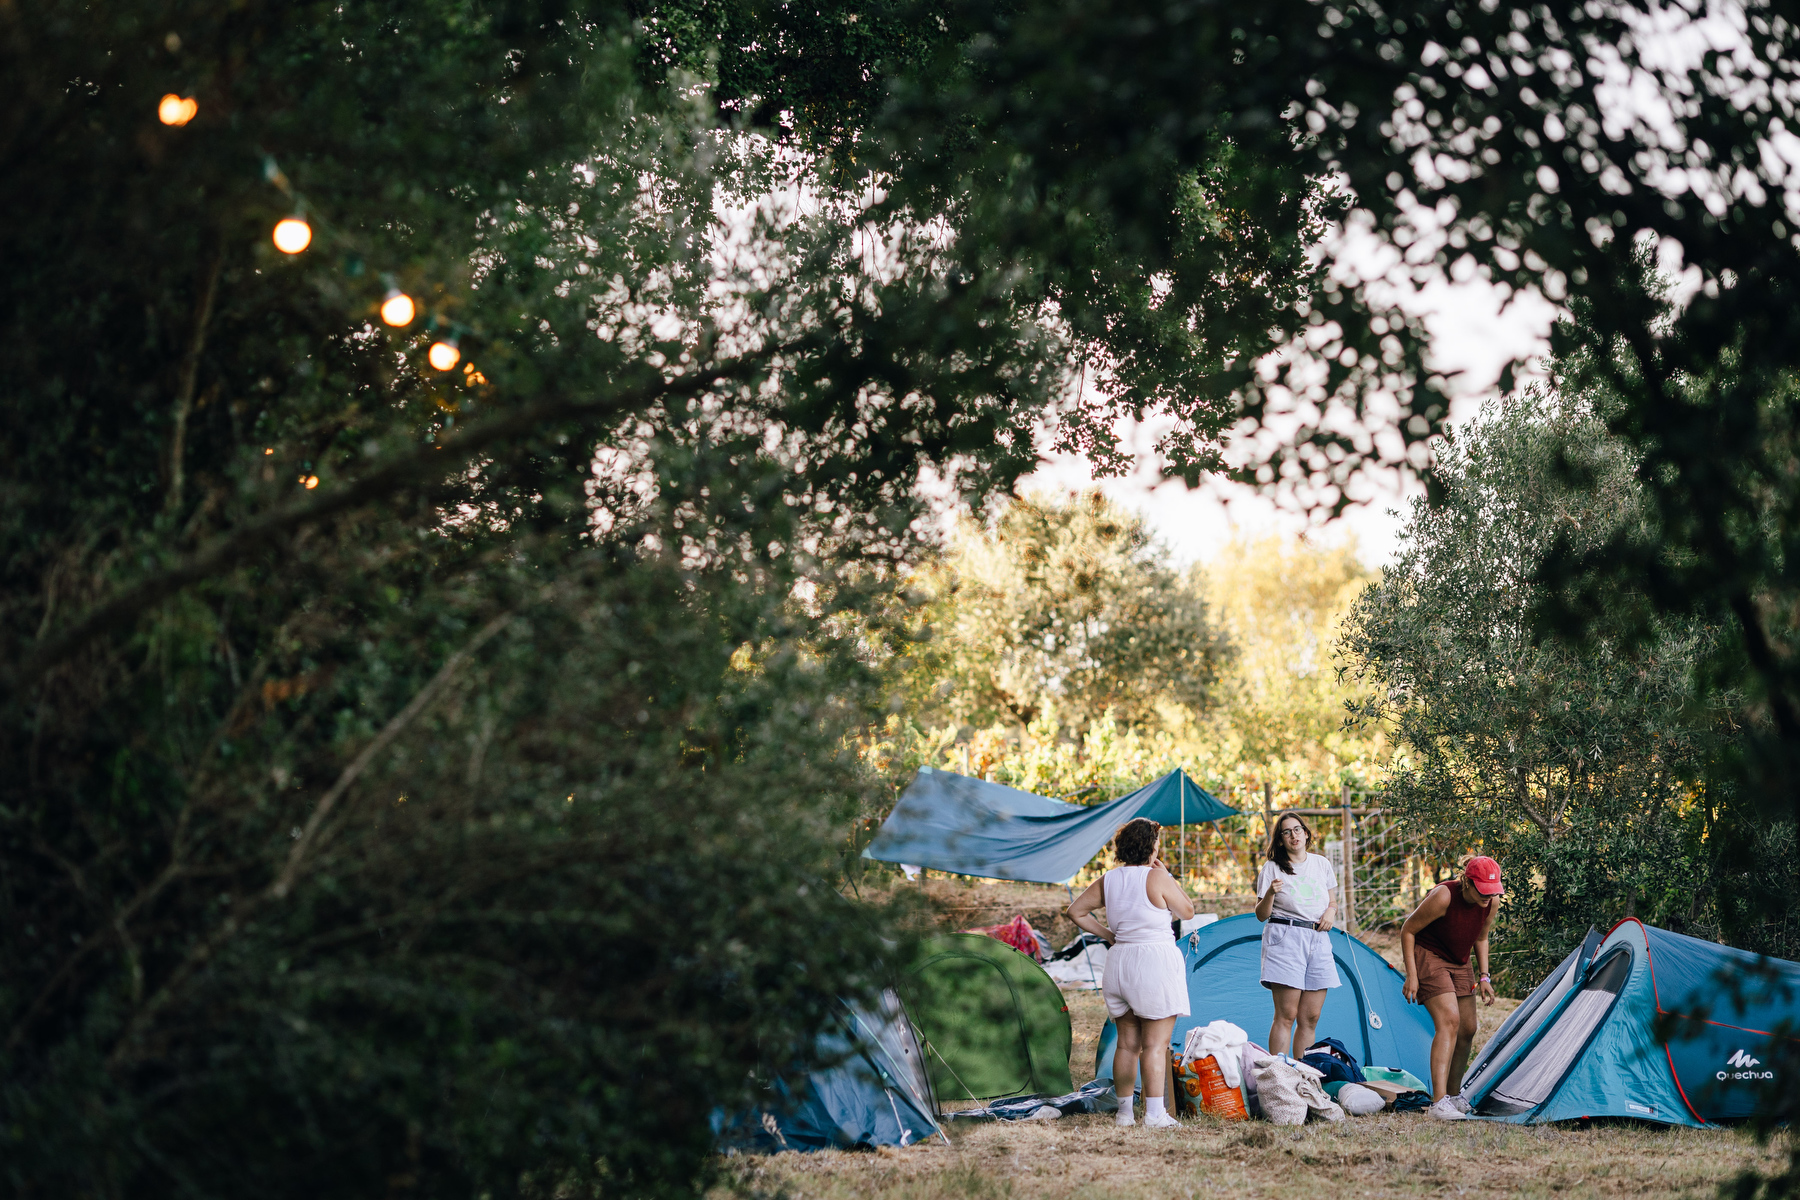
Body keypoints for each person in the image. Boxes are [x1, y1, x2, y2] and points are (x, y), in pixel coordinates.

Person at [1067, 817, 1195, 1129]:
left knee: (1127, 1043)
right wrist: (1167, 876)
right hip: (1152, 963)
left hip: (1119, 962)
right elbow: (1188, 911)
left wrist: (1108, 934)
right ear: (1151, 847)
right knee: (1154, 1045)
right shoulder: (1157, 877)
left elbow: (1076, 911)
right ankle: (1154, 1115)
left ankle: (1124, 1114)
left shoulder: (1109, 880)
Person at [1399, 855, 1503, 1119]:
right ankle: (1438, 1102)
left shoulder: (1490, 903)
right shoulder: (1444, 896)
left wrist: (1484, 976)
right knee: (1449, 1021)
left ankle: (1454, 1096)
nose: (1487, 896)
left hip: (1459, 960)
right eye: (1483, 890)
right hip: (1429, 955)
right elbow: (1408, 930)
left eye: (1492, 891)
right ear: (1467, 882)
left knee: (1468, 1028)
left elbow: (1481, 937)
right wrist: (1412, 974)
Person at [1253, 813, 1342, 1058]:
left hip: (1318, 940)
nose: (1294, 835)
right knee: (1286, 1015)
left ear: (1305, 833)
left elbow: (1332, 900)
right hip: (1285, 938)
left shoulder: (1321, 863)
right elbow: (1261, 914)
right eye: (1287, 832)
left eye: (1297, 829)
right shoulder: (1272, 868)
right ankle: (1279, 1079)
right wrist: (1270, 893)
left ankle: (1304, 1077)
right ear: (1280, 840)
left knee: (1310, 1017)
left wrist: (1331, 912)